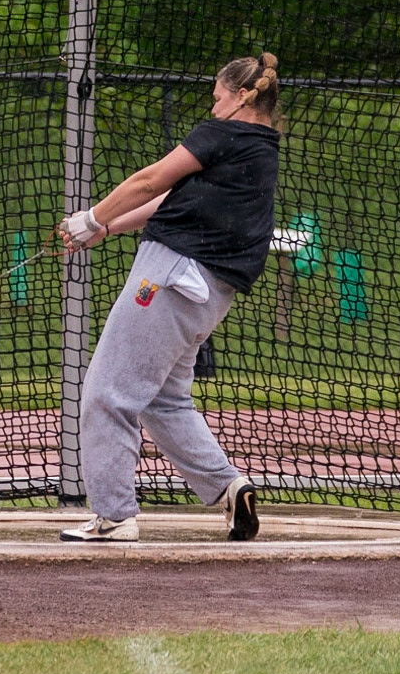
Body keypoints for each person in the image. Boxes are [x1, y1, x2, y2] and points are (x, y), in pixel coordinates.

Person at [56, 52, 281, 542]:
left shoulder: (222, 133)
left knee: (107, 393)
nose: (213, 104)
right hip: (207, 295)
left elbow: (149, 180)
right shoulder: (262, 148)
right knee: (164, 400)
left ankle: (113, 516)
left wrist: (90, 218)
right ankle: (227, 487)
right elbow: (170, 200)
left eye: (219, 95)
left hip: (170, 276)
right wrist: (107, 228)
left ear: (243, 96)